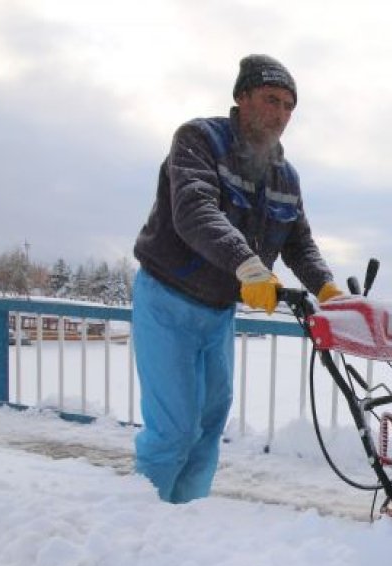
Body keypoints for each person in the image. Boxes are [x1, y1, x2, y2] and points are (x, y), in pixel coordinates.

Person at [131, 54, 343, 503]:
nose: (281, 114)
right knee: (174, 428)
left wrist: (329, 290)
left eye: (289, 106)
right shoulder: (197, 140)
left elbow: (298, 243)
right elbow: (194, 209)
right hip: (166, 300)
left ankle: (187, 513)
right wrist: (248, 266)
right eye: (271, 99)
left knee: (208, 426)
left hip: (217, 313)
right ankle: (142, 521)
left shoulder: (285, 176)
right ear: (241, 97)